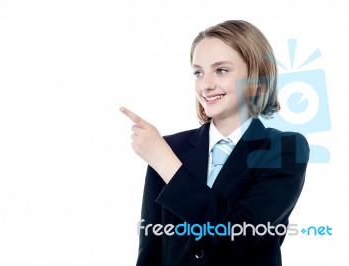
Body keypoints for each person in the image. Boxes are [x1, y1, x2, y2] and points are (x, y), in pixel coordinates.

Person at [120, 20, 309, 266]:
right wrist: (162, 157)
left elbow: (241, 236)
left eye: (221, 70)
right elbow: (151, 247)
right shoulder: (169, 148)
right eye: (198, 72)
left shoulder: (284, 148)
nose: (205, 85)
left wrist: (165, 163)